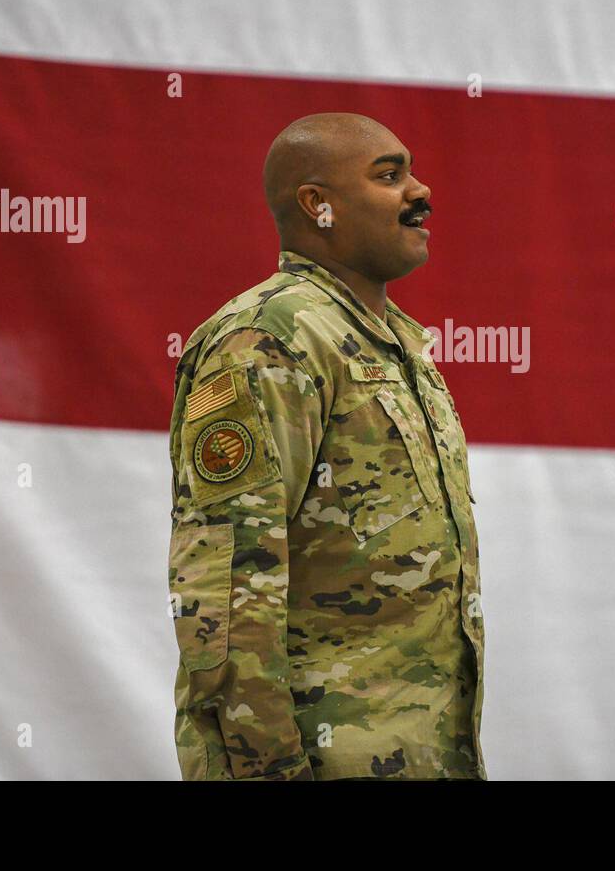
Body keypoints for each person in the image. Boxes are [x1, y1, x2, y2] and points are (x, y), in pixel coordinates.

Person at [166, 112, 486, 780]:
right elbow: (225, 586)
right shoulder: (268, 337)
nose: (421, 192)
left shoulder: (394, 340)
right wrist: (269, 772)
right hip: (316, 760)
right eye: (390, 176)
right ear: (319, 205)